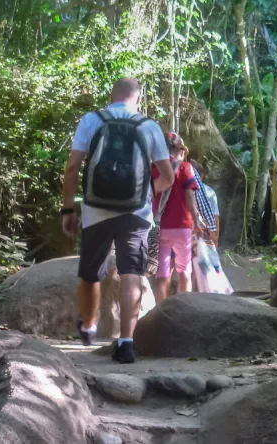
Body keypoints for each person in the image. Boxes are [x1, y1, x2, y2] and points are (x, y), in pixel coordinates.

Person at [61, 77, 174, 364]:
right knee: (131, 272)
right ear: (138, 98)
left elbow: (73, 167)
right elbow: (168, 176)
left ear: (112, 95)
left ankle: (88, 326)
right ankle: (125, 342)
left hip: (94, 211)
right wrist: (148, 193)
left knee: (91, 272)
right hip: (135, 213)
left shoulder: (92, 120)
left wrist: (67, 210)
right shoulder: (149, 127)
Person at [152, 132, 201, 302]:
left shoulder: (153, 168)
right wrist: (196, 220)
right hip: (182, 226)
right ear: (179, 149)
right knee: (184, 271)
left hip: (160, 226)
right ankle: (183, 310)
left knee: (162, 273)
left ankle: (161, 310)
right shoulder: (185, 168)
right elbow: (189, 196)